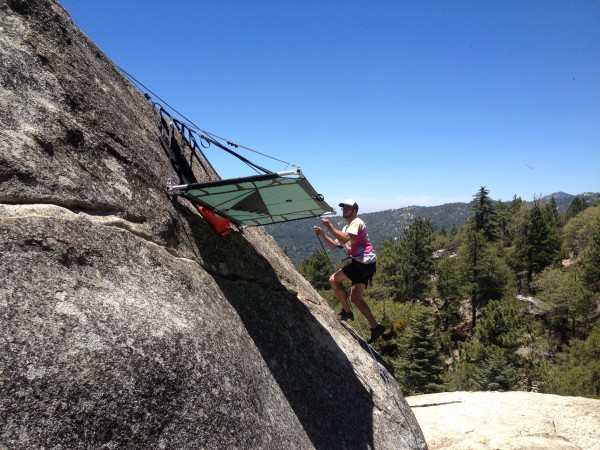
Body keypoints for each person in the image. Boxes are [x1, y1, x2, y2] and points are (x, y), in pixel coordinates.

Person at [313, 198, 386, 343]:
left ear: (355, 211)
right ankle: (376, 327)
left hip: (362, 263)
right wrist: (322, 234)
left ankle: (347, 312)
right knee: (356, 298)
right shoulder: (347, 228)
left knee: (333, 280)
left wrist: (329, 226)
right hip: (367, 264)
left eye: (347, 208)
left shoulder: (357, 222)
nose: (344, 210)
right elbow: (334, 245)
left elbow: (345, 239)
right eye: (343, 208)